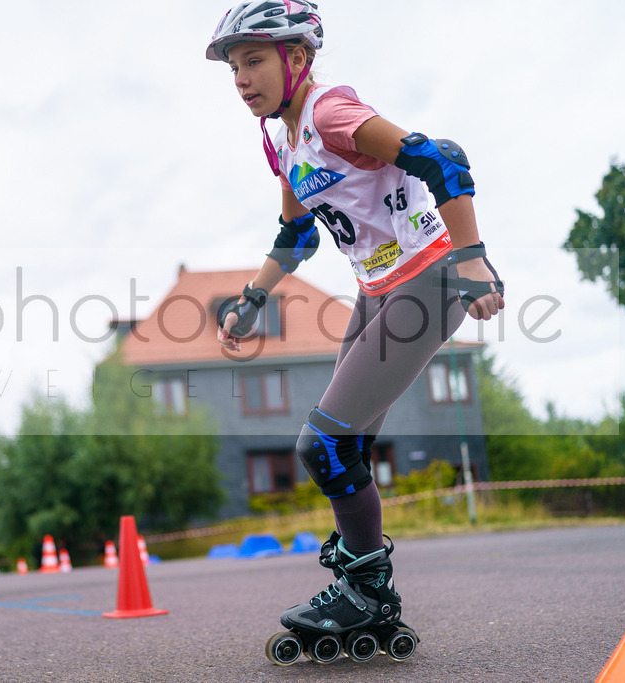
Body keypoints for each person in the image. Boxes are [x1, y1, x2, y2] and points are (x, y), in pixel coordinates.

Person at [206, 1, 504, 665]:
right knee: (348, 446)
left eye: (253, 60)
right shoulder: (281, 140)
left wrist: (471, 258)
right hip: (379, 290)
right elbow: (296, 233)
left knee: (324, 445)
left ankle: (367, 589)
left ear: (298, 59)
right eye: (233, 67)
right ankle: (364, 576)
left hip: (428, 279)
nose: (240, 78)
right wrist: (251, 302)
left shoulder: (330, 114)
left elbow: (441, 159)